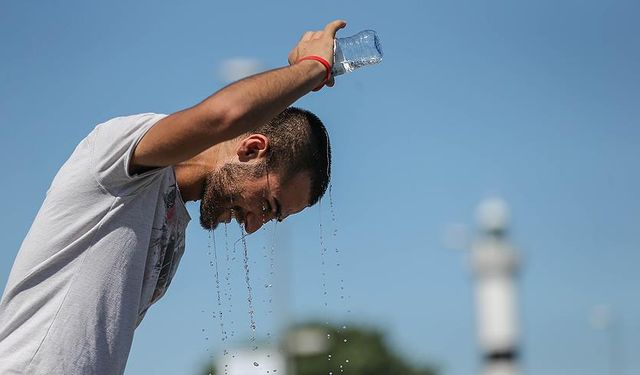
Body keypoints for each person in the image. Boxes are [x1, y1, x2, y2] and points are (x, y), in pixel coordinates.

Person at [0, 19, 347, 375]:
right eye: (268, 205)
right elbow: (222, 116)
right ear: (252, 149)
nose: (254, 225)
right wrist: (311, 69)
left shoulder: (173, 231)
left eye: (272, 218)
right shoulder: (120, 159)